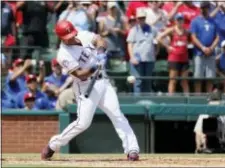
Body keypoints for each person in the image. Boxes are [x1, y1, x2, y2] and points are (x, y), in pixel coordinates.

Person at [41, 20, 140, 161]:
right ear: (61, 38)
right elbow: (80, 74)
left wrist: (101, 52)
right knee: (83, 123)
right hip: (85, 85)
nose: (72, 38)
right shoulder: (63, 55)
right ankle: (53, 145)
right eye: (68, 38)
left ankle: (132, 149)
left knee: (117, 114)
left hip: (103, 82)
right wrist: (94, 67)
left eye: (73, 35)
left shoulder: (82, 35)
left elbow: (99, 39)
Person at [190, 2, 219, 93]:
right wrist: (203, 48)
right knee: (198, 77)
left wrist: (211, 48)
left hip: (211, 53)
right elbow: (193, 37)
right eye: (202, 8)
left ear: (208, 8)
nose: (203, 9)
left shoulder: (214, 22)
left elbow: (217, 37)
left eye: (205, 8)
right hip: (199, 53)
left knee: (210, 78)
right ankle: (198, 98)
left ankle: (209, 98)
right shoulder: (195, 21)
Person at [127, 9, 158, 94]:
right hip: (137, 60)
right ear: (137, 19)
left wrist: (156, 52)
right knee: (138, 82)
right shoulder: (134, 30)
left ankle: (146, 102)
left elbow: (157, 40)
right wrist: (132, 57)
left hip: (149, 59)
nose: (141, 20)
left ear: (145, 18)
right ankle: (137, 103)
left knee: (147, 82)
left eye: (143, 18)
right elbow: (130, 44)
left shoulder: (152, 29)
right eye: (140, 18)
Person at [157, 13, 190, 94]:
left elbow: (189, 41)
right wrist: (167, 47)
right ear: (175, 21)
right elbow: (159, 37)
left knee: (184, 81)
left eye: (181, 19)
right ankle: (171, 99)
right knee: (173, 80)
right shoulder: (172, 30)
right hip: (174, 58)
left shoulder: (187, 31)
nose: (180, 21)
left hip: (184, 58)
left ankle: (188, 100)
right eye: (178, 20)